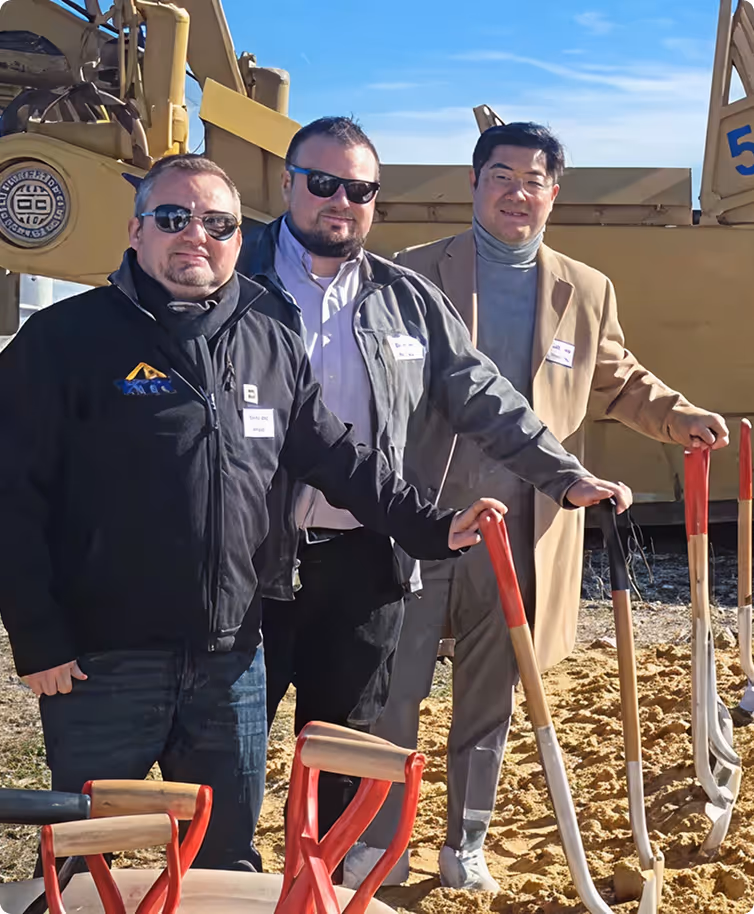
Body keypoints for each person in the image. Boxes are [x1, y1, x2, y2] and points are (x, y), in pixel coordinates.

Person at [0, 153, 513, 872]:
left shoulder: (267, 330)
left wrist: (432, 525)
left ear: (241, 238)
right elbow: (13, 498)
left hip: (230, 660)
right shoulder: (63, 343)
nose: (196, 236)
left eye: (218, 223)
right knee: (91, 866)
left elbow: (336, 453)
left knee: (222, 859)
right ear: (135, 231)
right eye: (174, 218)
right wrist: (39, 635)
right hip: (102, 664)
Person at [351, 121, 729, 891]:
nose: (516, 192)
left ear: (555, 192)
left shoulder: (585, 290)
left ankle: (466, 844)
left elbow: (618, 382)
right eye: (501, 175)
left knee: (490, 698)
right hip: (424, 524)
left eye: (533, 179)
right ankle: (374, 840)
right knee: (395, 692)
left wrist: (680, 416)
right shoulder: (413, 274)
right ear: (474, 183)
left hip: (526, 532)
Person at [238, 116, 632, 846]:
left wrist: (564, 475)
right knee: (231, 756)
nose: (339, 200)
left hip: (365, 563)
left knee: (343, 756)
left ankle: (328, 877)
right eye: (322, 183)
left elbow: (480, 393)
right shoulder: (235, 280)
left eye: (358, 188)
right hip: (250, 565)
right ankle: (223, 878)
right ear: (289, 184)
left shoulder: (401, 296)